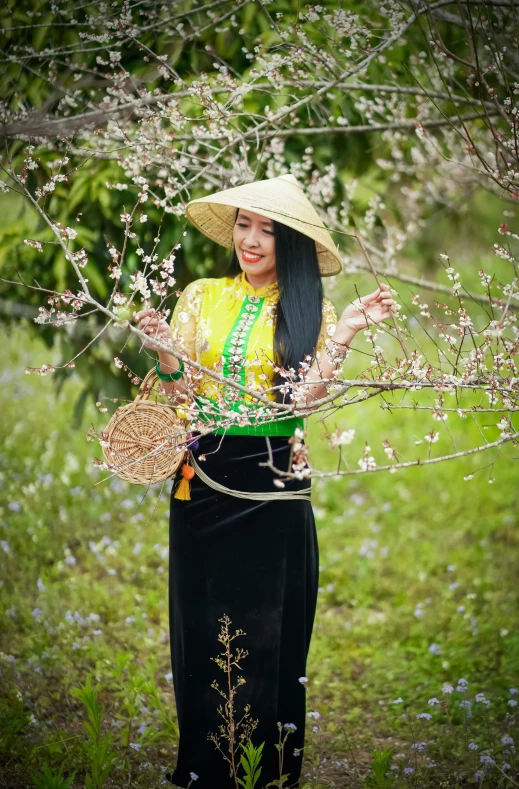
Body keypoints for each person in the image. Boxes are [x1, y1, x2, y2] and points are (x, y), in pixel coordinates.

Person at [133, 174, 396, 788]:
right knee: (201, 627)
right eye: (245, 226)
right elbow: (183, 396)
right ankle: (203, 770)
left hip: (275, 480)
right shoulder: (199, 296)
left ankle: (262, 775)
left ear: (292, 245)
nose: (251, 241)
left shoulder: (312, 311)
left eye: (268, 232)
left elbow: (300, 399)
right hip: (203, 478)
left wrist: (347, 331)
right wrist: (167, 354)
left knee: (267, 631)